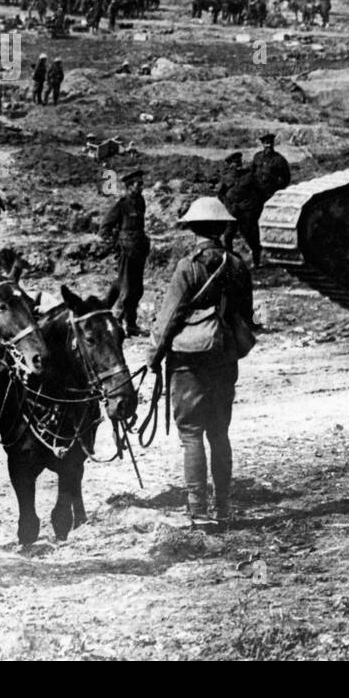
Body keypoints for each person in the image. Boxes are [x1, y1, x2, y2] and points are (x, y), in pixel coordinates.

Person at [147, 196, 254, 530]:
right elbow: (246, 314)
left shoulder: (188, 266)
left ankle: (198, 511)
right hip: (224, 355)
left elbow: (169, 318)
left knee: (192, 434)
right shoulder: (237, 265)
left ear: (192, 228)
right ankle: (223, 507)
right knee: (219, 433)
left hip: (188, 360)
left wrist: (153, 355)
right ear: (221, 227)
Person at [100, 169, 149, 337]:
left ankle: (131, 324)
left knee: (137, 289)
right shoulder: (122, 205)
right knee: (126, 289)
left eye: (141, 184)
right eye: (138, 184)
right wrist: (115, 246)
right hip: (126, 251)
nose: (141, 187)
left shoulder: (140, 202)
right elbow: (104, 227)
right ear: (129, 187)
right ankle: (117, 323)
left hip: (139, 250)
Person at [216, 152, 266, 266]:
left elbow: (260, 192)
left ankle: (256, 261)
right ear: (230, 165)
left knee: (251, 236)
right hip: (232, 212)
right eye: (235, 163)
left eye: (239, 162)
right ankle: (229, 260)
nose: (237, 165)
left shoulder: (249, 176)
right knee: (228, 236)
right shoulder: (226, 178)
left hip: (247, 212)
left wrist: (253, 206)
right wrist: (228, 205)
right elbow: (220, 194)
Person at [250, 133, 291, 201]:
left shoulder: (279, 159)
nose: (269, 145)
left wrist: (278, 189)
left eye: (270, 143)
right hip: (257, 192)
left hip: (272, 192)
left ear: (273, 144)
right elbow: (251, 172)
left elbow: (286, 177)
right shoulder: (257, 157)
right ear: (263, 144)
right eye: (266, 143)